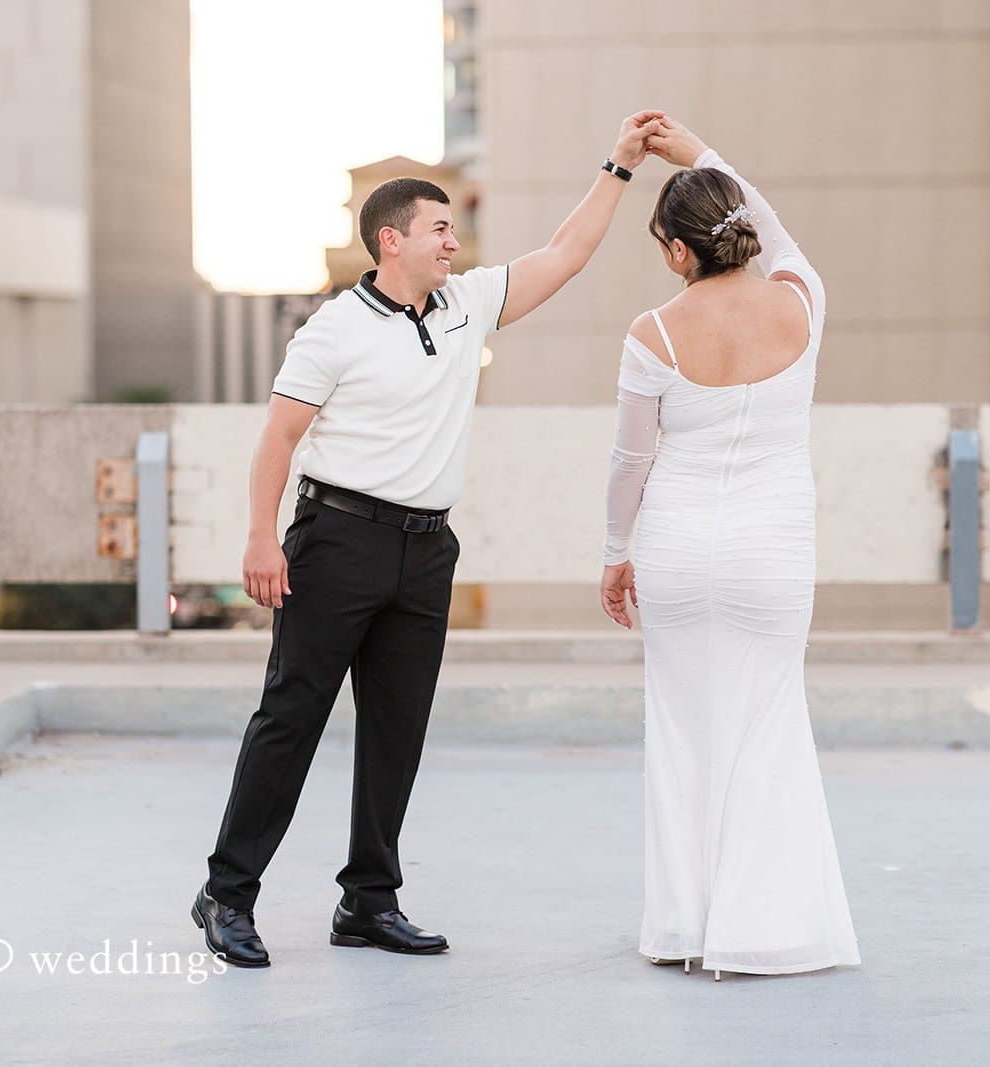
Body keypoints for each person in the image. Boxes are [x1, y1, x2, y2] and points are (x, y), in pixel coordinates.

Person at [192, 110, 667, 968]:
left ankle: (368, 901)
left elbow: (565, 252)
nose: (454, 242)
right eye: (440, 229)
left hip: (425, 551)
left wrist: (620, 167)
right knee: (291, 718)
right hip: (334, 541)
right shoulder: (332, 327)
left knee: (397, 729)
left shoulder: (466, 307)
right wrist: (261, 540)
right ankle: (228, 893)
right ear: (391, 240)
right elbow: (278, 440)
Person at [599, 118, 860, 980]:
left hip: (678, 548)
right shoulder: (802, 298)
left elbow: (632, 460)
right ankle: (767, 925)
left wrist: (614, 551)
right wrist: (698, 152)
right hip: (773, 549)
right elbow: (778, 227)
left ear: (676, 252)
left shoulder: (653, 333)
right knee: (766, 719)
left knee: (682, 729)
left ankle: (684, 924)